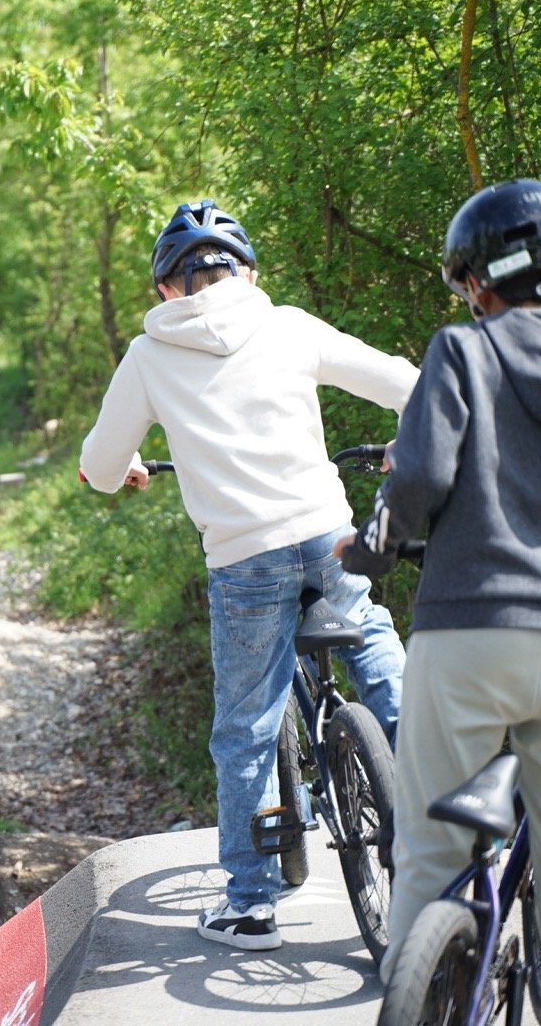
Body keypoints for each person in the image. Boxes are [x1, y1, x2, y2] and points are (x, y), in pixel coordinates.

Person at [337, 178, 541, 1024]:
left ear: (477, 283)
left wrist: (373, 550)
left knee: (428, 848)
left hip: (465, 633)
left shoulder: (463, 354)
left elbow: (416, 476)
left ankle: (428, 998)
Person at [80, 199, 419, 951]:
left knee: (246, 729)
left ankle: (251, 904)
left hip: (243, 559)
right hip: (328, 535)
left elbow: (100, 467)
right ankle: (435, 794)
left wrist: (127, 469)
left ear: (166, 288)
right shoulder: (288, 323)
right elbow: (409, 383)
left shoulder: (149, 355)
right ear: (247, 272)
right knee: (371, 642)